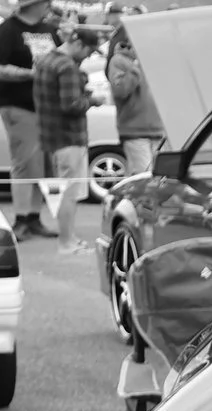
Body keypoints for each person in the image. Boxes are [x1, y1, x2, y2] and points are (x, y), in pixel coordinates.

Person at [0, 0, 56, 239]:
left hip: (47, 107)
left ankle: (34, 217)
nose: (49, 4)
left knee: (43, 164)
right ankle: (21, 218)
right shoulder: (9, 30)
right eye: (45, 0)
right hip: (19, 104)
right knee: (25, 162)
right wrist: (29, 74)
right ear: (32, 3)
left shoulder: (50, 29)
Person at [35, 22, 96, 252]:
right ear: (78, 44)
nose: (88, 57)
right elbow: (71, 105)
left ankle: (69, 237)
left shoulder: (45, 60)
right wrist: (91, 100)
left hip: (50, 136)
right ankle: (66, 242)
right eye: (88, 51)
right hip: (70, 137)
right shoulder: (67, 67)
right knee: (69, 193)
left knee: (62, 190)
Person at [106, 25, 164, 177]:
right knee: (143, 177)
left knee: (160, 177)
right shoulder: (118, 61)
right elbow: (121, 91)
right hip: (135, 131)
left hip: (158, 130)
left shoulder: (152, 59)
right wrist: (134, 68)